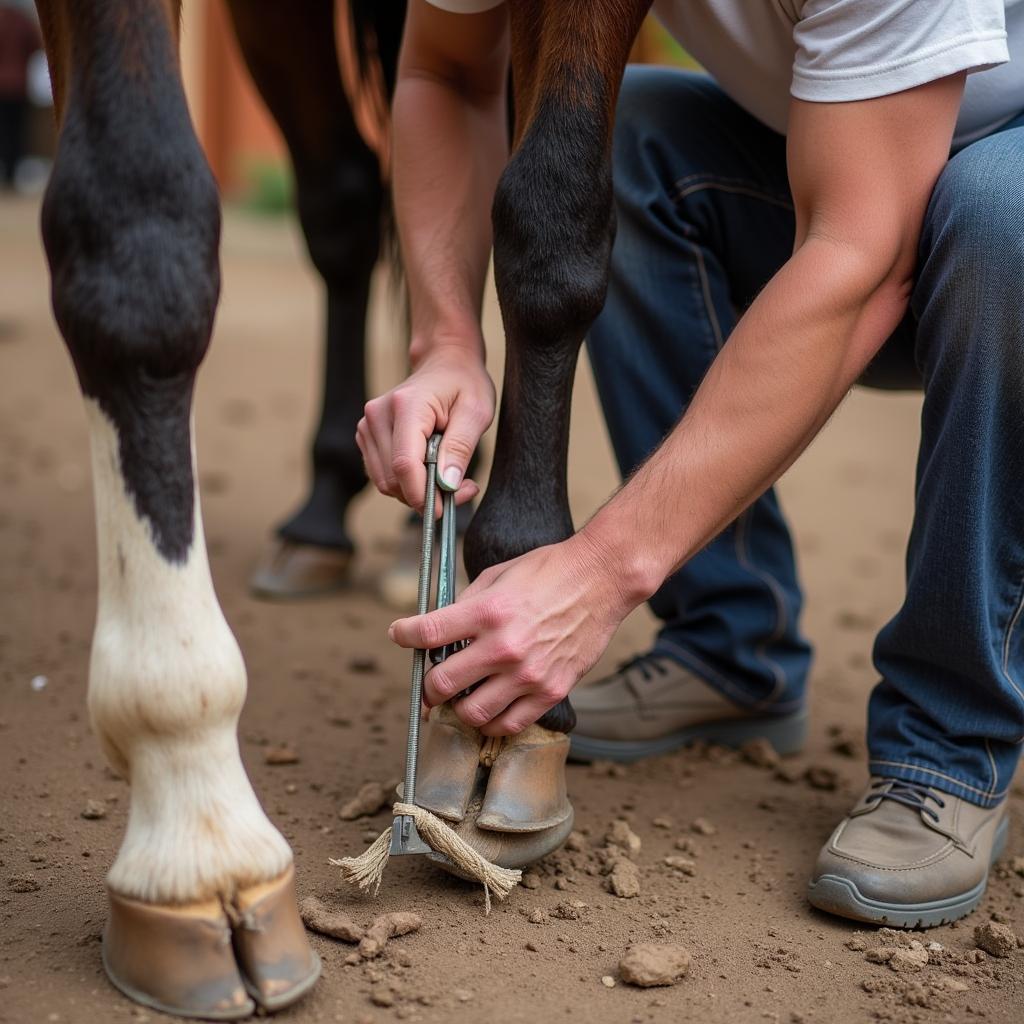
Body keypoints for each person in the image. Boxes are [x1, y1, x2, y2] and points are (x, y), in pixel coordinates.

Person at [358, 0, 1024, 928]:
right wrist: (446, 341)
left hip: (989, 177)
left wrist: (598, 572)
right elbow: (450, 73)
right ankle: (730, 647)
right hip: (858, 153)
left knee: (1001, 219)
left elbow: (865, 254)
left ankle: (949, 745)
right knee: (619, 148)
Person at [0, 2, 41, 189]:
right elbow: (37, 44)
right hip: (18, 85)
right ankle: (12, 172)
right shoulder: (22, 21)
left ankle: (4, 170)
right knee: (17, 130)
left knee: (3, 129)